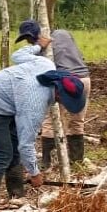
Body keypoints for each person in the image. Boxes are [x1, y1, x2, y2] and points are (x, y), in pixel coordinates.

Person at [0, 37, 86, 205]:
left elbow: (18, 55)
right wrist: (35, 173)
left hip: (8, 103)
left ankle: (16, 195)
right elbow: (26, 144)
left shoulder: (46, 65)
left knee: (14, 150)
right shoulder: (35, 102)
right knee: (4, 154)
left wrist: (37, 47)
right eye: (65, 101)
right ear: (59, 94)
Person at [38, 29, 91, 169]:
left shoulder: (48, 48)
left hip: (63, 81)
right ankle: (76, 160)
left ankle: (48, 162)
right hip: (83, 80)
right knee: (77, 121)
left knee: (50, 120)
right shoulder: (74, 49)